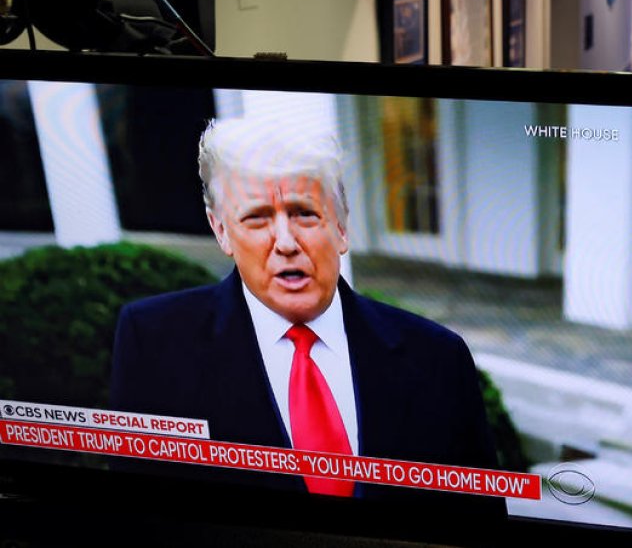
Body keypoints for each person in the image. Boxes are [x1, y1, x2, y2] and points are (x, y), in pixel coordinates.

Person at [109, 116, 502, 519]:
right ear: (221, 230)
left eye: (303, 213)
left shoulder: (438, 359)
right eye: (257, 217)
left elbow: (479, 523)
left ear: (342, 223)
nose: (285, 242)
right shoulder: (153, 344)